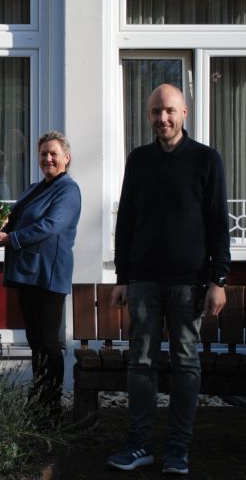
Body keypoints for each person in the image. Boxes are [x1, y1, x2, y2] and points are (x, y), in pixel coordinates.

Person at [106, 84, 230, 475]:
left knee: (185, 365)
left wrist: (218, 279)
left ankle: (178, 449)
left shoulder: (206, 160)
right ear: (148, 116)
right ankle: (138, 444)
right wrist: (122, 276)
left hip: (189, 282)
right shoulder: (138, 160)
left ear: (184, 113)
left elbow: (217, 223)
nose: (163, 118)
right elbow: (126, 220)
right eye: (156, 112)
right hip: (142, 281)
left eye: (169, 111)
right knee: (140, 364)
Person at [0, 131, 81, 423]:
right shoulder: (33, 188)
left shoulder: (68, 190)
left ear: (66, 157)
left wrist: (9, 239)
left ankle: (50, 409)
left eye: (53, 154)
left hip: (48, 275)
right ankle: (38, 404)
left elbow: (50, 225)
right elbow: (10, 217)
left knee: (49, 343)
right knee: (36, 342)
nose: (48, 158)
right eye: (43, 154)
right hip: (27, 273)